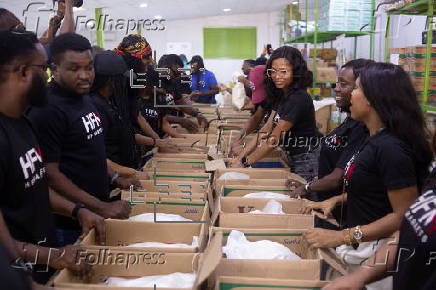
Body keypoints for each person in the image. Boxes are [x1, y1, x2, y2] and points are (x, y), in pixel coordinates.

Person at [302, 62, 433, 290]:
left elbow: (403, 216)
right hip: (362, 248)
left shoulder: (391, 148)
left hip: (378, 254)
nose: (350, 93)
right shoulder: (372, 139)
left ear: (373, 98)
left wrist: (343, 236)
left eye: (357, 88)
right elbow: (376, 187)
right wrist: (336, 199)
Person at [0, 30, 104, 284]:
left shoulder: (22, 123)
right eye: (45, 67)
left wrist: (77, 211)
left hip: (44, 259)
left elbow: (36, 185)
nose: (49, 75)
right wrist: (49, 257)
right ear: (23, 72)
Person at [28, 33, 132, 247]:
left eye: (89, 67)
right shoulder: (48, 109)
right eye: (74, 69)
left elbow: (91, 150)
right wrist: (100, 207)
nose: (85, 75)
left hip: (96, 208)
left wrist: (114, 178)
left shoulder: (84, 98)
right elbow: (51, 174)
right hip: (70, 222)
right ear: (54, 69)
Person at [323, 137, 436, 290]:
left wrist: (344, 236)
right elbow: (408, 230)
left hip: (370, 246)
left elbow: (399, 216)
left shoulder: (390, 149)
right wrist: (360, 276)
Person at [291, 59, 373, 224]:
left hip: (343, 216)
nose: (336, 88)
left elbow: (337, 177)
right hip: (328, 207)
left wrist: (307, 188)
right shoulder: (350, 120)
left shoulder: (362, 128)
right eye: (337, 83)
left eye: (344, 84)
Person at [231, 46, 322, 184]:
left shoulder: (298, 98)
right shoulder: (282, 94)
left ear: (296, 72)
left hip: (307, 157)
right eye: (273, 71)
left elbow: (273, 139)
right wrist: (241, 157)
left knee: (305, 197)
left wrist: (244, 162)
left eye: (283, 71)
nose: (277, 76)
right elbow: (265, 130)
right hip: (293, 153)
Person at [90, 50, 140, 174]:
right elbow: (98, 156)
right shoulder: (96, 107)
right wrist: (132, 173)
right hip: (112, 177)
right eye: (122, 78)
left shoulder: (110, 101)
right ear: (111, 80)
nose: (125, 83)